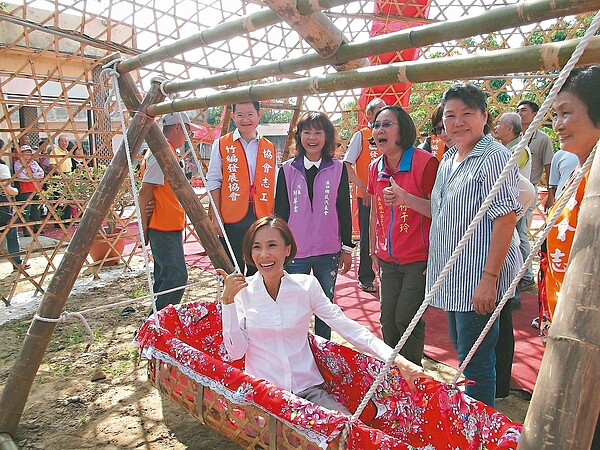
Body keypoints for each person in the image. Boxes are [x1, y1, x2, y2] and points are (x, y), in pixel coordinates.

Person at [220, 216, 428, 413]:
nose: (264, 254)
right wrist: (227, 303)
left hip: (308, 391)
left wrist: (397, 360)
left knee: (347, 431)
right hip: (264, 396)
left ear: (287, 250)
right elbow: (236, 352)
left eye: (272, 245)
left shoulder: (306, 287)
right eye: (257, 247)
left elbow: (349, 328)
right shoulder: (242, 293)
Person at [427, 83, 521, 407]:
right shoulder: (451, 156)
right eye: (451, 115)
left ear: (484, 116)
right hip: (453, 277)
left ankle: (480, 432)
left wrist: (490, 279)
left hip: (476, 277)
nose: (458, 122)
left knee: (477, 364)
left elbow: (505, 219)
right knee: (465, 354)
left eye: (467, 114)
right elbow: (442, 212)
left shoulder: (494, 156)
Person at [544, 65, 600, 450]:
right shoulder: (580, 171)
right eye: (555, 116)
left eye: (567, 113)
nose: (558, 125)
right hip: (567, 321)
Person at [367, 105, 438, 365]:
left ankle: (412, 375)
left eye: (387, 124)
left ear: (403, 129)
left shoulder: (425, 163)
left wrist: (406, 199)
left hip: (418, 258)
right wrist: (372, 249)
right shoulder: (376, 167)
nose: (380, 130)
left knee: (406, 317)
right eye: (376, 125)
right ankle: (393, 372)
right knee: (387, 318)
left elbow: (441, 213)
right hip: (388, 257)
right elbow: (375, 210)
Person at [274, 111, 353, 340]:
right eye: (307, 132)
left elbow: (343, 209)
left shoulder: (338, 169)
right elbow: (280, 213)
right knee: (294, 305)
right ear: (299, 136)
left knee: (325, 306)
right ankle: (296, 350)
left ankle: (323, 352)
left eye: (318, 132)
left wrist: (346, 247)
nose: (312, 137)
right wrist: (280, 247)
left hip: (328, 250)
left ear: (327, 136)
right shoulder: (287, 169)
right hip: (295, 251)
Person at [207, 101, 276, 276]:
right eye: (240, 115)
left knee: (260, 267)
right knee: (232, 268)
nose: (245, 120)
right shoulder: (222, 144)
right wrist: (215, 217)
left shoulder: (269, 147)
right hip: (232, 217)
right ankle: (235, 303)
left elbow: (274, 185)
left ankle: (257, 302)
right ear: (233, 117)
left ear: (259, 115)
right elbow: (214, 181)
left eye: (250, 114)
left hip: (260, 216)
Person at [139, 113, 192, 311]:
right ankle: (157, 322)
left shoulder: (167, 150)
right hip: (162, 226)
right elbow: (145, 192)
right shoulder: (160, 152)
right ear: (178, 127)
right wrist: (143, 227)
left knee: (165, 278)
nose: (189, 135)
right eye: (188, 130)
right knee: (176, 276)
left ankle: (155, 322)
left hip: (168, 223)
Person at [343, 97, 386, 293]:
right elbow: (347, 163)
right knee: (369, 235)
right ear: (369, 115)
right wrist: (361, 186)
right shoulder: (361, 136)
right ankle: (366, 277)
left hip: (389, 196)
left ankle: (388, 276)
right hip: (368, 197)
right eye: (379, 110)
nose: (383, 113)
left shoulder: (391, 134)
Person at [515, 99, 554, 290]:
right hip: (513, 191)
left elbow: (549, 166)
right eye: (518, 110)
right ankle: (517, 272)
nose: (520, 113)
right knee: (512, 232)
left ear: (535, 114)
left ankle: (527, 274)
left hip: (529, 190)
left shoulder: (543, 139)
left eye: (524, 110)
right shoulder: (515, 137)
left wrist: (551, 193)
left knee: (521, 231)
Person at [0, 156, 27, 270]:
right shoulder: (2, 168)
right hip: (3, 204)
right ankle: (17, 263)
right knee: (11, 234)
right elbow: (7, 188)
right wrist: (15, 191)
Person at [13, 145, 44, 236]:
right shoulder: (18, 164)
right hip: (25, 189)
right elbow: (21, 176)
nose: (27, 156)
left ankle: (37, 227)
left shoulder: (34, 163)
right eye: (25, 153)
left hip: (36, 187)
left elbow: (41, 173)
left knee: (36, 208)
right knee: (26, 209)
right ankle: (26, 229)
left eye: (29, 153)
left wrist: (32, 176)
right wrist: (33, 176)